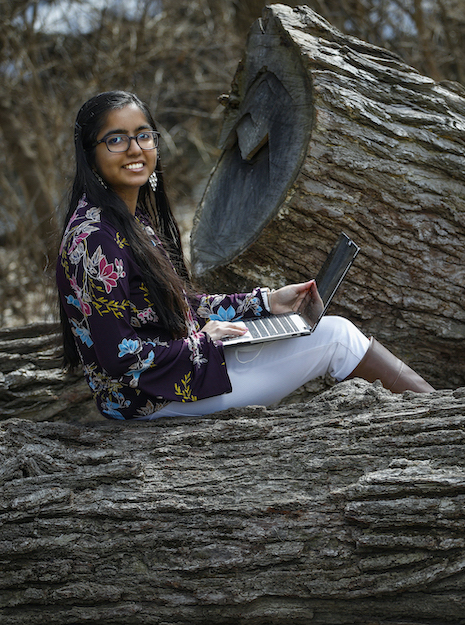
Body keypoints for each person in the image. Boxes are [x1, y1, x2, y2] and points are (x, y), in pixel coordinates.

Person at [56, 91, 434, 421]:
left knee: (333, 331)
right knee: (337, 339)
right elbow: (119, 357)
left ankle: (439, 416)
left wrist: (266, 302)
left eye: (143, 136)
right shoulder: (94, 239)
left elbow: (179, 305)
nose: (135, 149)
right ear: (90, 156)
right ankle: (442, 420)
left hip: (179, 373)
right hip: (152, 398)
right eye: (116, 140)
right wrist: (204, 341)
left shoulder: (127, 221)